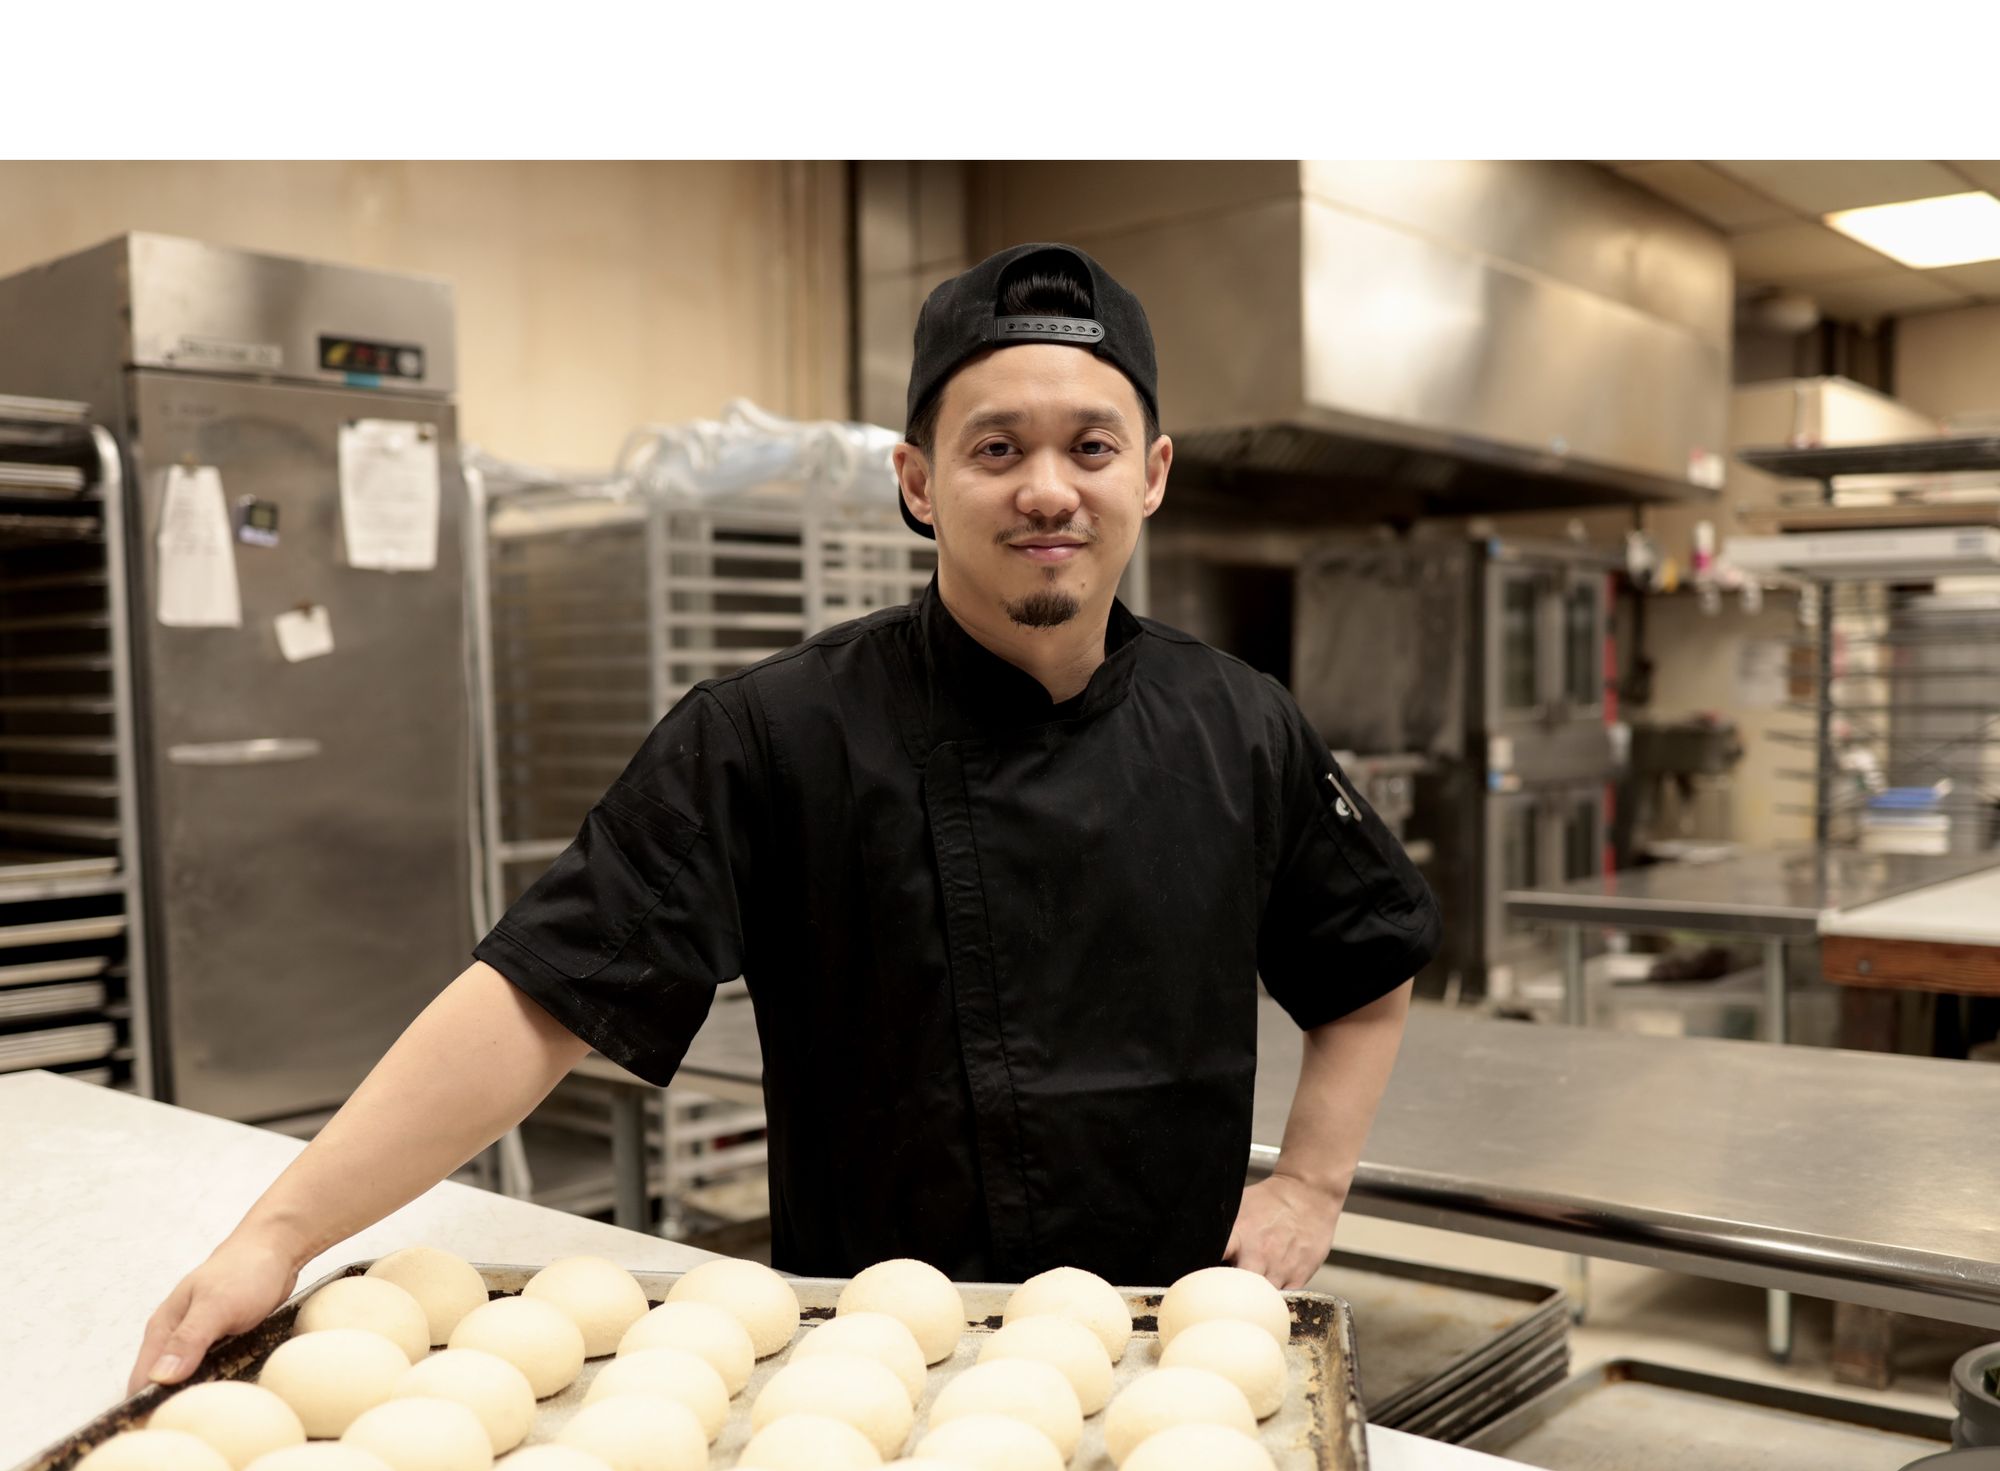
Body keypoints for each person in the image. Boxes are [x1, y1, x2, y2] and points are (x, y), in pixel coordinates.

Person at [128, 242, 1440, 1395]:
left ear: (1150, 474)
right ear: (918, 481)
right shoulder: (776, 733)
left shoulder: (1241, 724)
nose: (1049, 487)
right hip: (868, 1371)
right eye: (998, 447)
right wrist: (278, 1233)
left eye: (1090, 445)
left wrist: (1311, 1184)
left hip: (1177, 1360)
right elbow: (541, 994)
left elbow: (1365, 963)